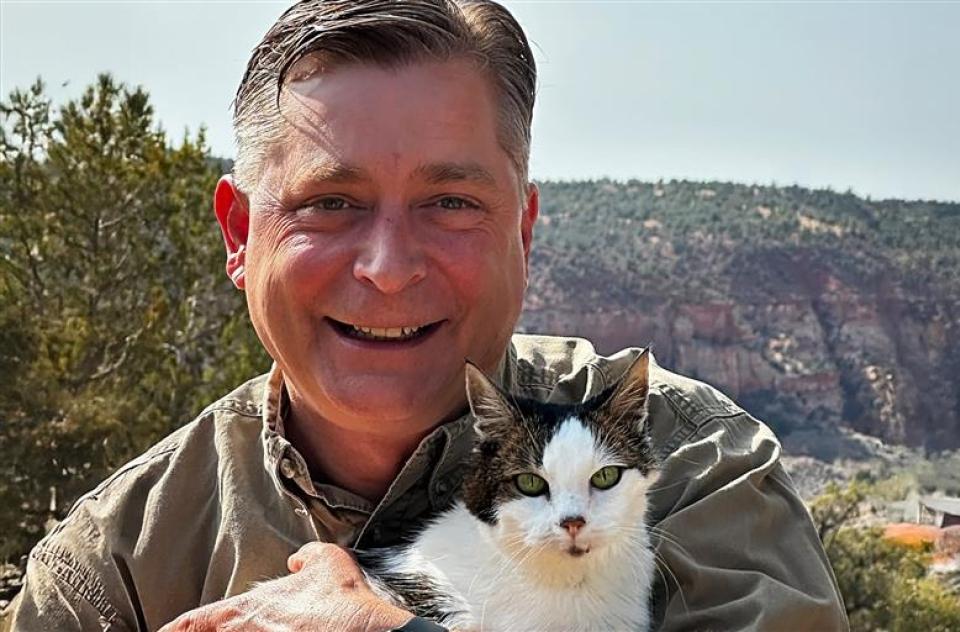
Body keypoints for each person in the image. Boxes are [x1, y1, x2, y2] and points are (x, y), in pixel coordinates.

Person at [8, 1, 848, 630]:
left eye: (450, 202)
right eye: (330, 203)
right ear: (239, 233)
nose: (388, 267)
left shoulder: (691, 469)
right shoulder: (116, 569)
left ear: (522, 230)